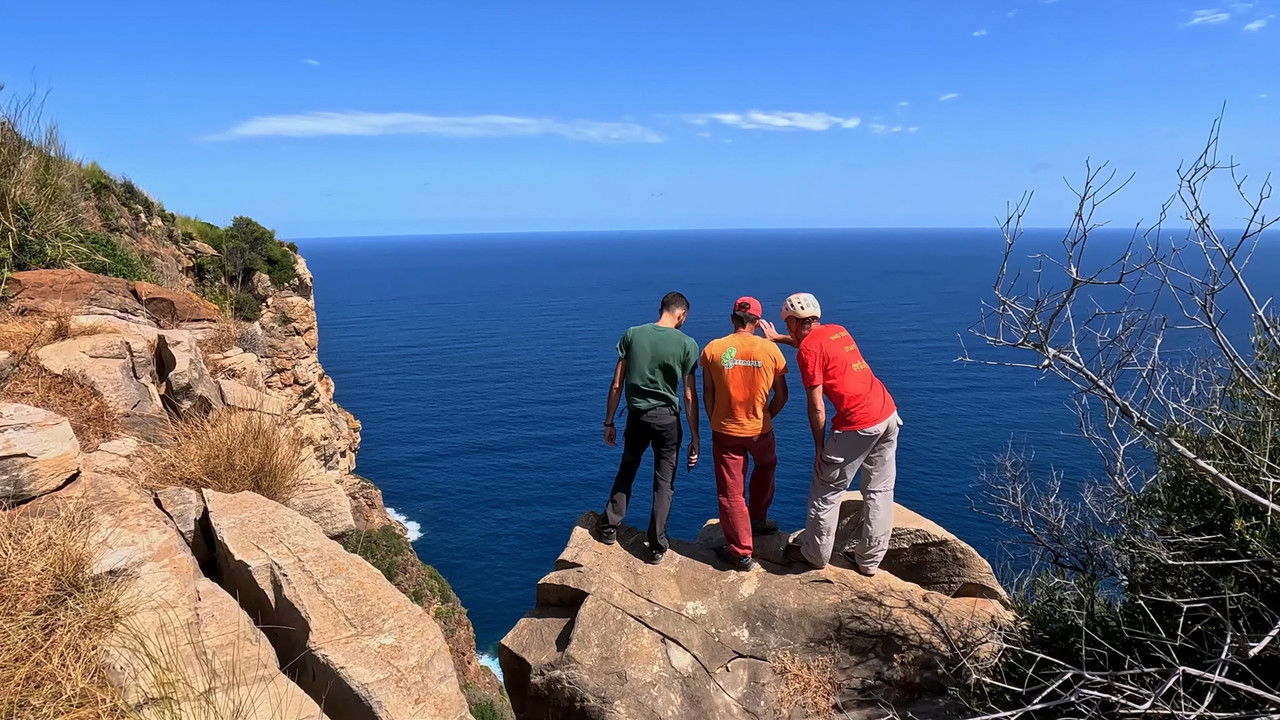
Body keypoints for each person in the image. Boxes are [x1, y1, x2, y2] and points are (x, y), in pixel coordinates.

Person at [760, 292, 901, 576]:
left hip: (857, 424)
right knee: (879, 491)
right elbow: (812, 346)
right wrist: (779, 340)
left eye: (787, 324)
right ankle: (869, 562)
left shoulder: (808, 350)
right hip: (887, 414)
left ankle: (814, 555)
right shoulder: (838, 331)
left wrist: (819, 449)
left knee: (826, 490)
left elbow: (816, 407)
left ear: (791, 323)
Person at [600, 291, 701, 564]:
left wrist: (609, 421)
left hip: (637, 417)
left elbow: (617, 384)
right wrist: (695, 436)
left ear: (661, 309)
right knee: (664, 482)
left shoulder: (632, 334)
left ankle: (609, 527)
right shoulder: (687, 344)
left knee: (628, 469)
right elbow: (690, 395)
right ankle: (657, 544)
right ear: (681, 314)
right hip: (668, 420)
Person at [700, 297, 788, 571]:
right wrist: (767, 416)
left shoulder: (714, 349)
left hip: (725, 430)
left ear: (732, 318)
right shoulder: (771, 350)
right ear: (758, 322)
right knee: (766, 466)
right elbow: (782, 395)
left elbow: (708, 395)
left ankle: (740, 553)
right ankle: (759, 520)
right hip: (760, 429)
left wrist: (717, 420)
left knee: (731, 493)